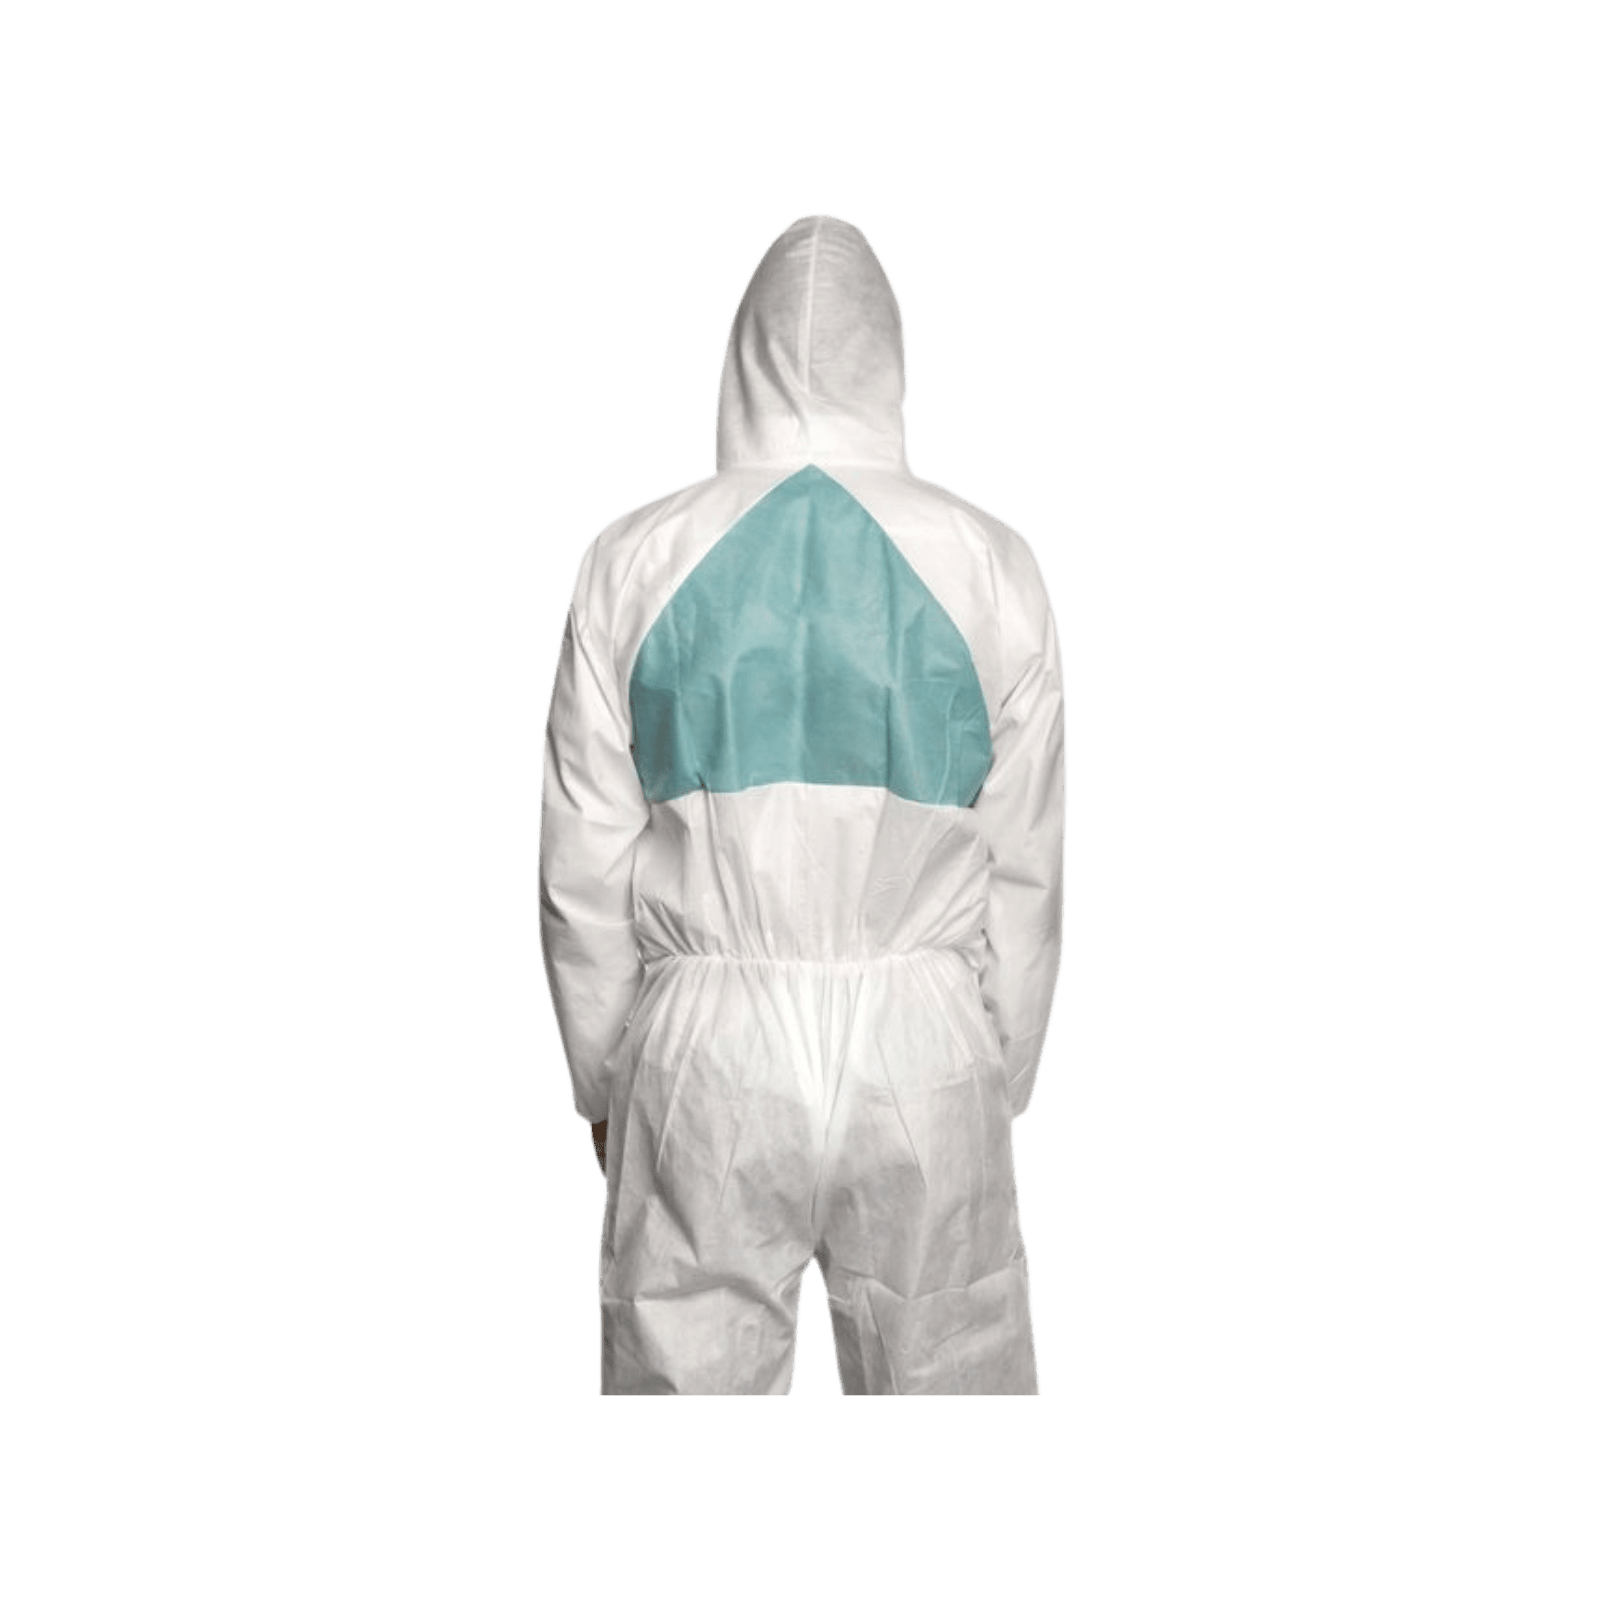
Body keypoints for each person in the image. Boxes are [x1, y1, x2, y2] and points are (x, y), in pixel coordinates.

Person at [537, 213, 1067, 1396]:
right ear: (891, 359)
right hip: (926, 1041)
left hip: (704, 1051)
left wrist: (605, 1084)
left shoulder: (630, 555)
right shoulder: (992, 559)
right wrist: (997, 1074)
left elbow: (582, 860)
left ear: (739, 357)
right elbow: (1028, 864)